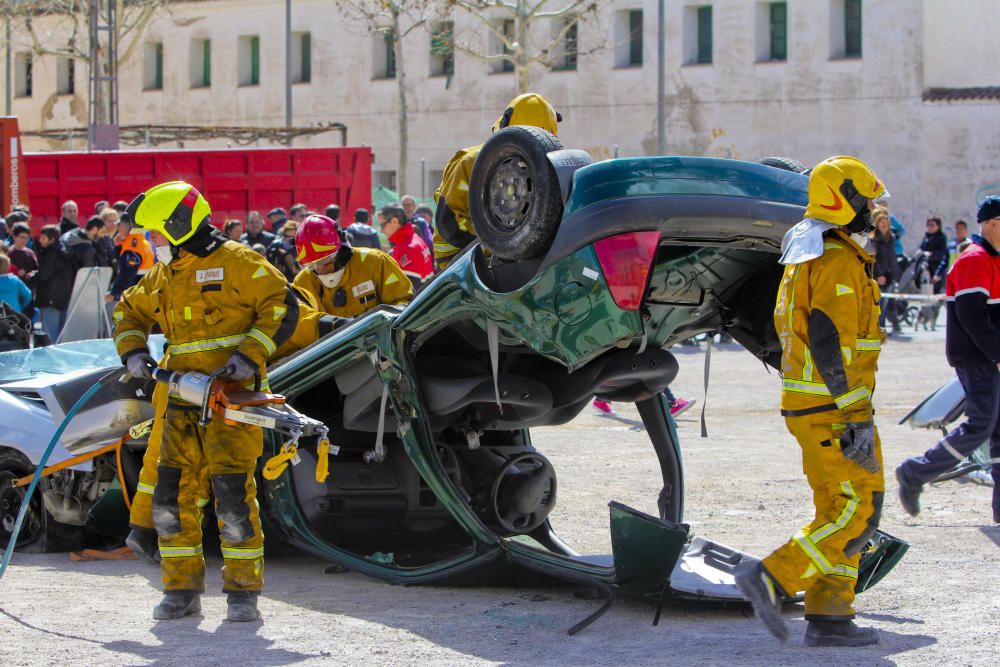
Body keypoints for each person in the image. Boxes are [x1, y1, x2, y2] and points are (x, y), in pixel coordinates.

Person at [115, 181, 297, 622]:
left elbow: (282, 306)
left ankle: (242, 594)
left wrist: (246, 357)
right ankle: (180, 591)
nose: (151, 243)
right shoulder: (165, 273)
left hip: (230, 404)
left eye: (156, 234)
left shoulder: (239, 263)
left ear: (177, 227)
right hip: (180, 398)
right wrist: (134, 350)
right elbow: (128, 310)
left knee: (233, 498)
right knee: (170, 498)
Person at [734, 156, 888, 648]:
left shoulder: (811, 251)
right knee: (858, 512)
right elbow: (830, 340)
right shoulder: (836, 260)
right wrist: (856, 418)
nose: (873, 209)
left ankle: (830, 616)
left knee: (839, 511)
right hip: (834, 409)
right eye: (866, 201)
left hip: (817, 406)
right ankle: (771, 577)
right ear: (845, 203)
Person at [126, 284, 345, 566]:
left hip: (175, 382)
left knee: (160, 462)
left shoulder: (230, 297)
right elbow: (318, 326)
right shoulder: (284, 308)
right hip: (207, 389)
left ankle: (143, 531)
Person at [896, 196, 1000, 524]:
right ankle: (915, 472)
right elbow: (973, 319)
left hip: (990, 358)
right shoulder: (975, 259)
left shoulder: (992, 259)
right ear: (994, 223)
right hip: (978, 359)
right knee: (980, 425)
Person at [433, 93, 561, 269]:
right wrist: (496, 246)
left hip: (514, 263)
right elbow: (450, 223)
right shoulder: (471, 162)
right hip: (461, 266)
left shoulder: (547, 169)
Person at [293, 213, 412, 317]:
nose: (319, 269)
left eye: (325, 261)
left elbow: (403, 303)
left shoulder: (376, 262)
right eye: (311, 265)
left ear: (341, 249)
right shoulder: (303, 283)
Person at [31, 225, 76, 340]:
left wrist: (32, 276)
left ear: (52, 239)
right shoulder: (64, 252)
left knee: (50, 333)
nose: (40, 240)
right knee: (59, 332)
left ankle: (51, 357)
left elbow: (43, 275)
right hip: (62, 298)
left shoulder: (51, 254)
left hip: (50, 298)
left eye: (43, 238)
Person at [379, 203, 433, 288]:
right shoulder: (415, 239)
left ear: (394, 221)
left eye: (383, 225)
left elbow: (408, 291)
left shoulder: (407, 248)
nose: (381, 230)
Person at [106, 218, 155, 304]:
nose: (118, 228)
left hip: (136, 293)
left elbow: (127, 273)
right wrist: (118, 245)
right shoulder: (142, 241)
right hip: (145, 290)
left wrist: (115, 292)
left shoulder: (131, 248)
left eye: (120, 225)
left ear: (128, 226)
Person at [872, 206, 903, 335]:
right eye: (881, 223)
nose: (884, 225)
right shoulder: (874, 239)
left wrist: (896, 274)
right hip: (879, 275)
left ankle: (882, 328)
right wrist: (879, 274)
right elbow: (873, 258)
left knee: (885, 304)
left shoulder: (891, 239)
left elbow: (892, 258)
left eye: (886, 223)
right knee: (879, 304)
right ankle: (878, 328)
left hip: (889, 275)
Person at [920, 217, 949, 294]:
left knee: (937, 291)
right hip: (926, 268)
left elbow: (942, 253)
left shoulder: (942, 238)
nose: (930, 227)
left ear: (938, 226)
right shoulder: (926, 237)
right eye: (928, 225)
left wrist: (931, 255)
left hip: (937, 267)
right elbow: (922, 248)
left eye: (932, 225)